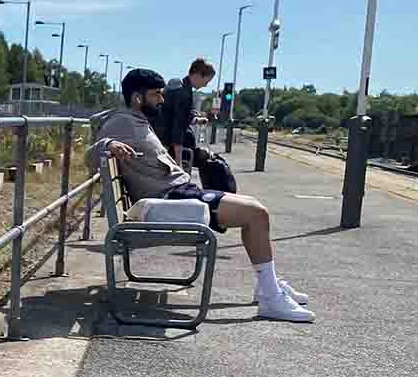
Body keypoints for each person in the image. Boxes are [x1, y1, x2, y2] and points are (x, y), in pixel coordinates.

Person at [92, 68, 314, 323]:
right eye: (156, 95)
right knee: (256, 214)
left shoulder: (138, 119)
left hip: (180, 192)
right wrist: (107, 145)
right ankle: (270, 297)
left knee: (254, 207)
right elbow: (92, 154)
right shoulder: (122, 121)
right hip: (170, 200)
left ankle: (268, 285)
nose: (162, 100)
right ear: (137, 97)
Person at [158, 57, 217, 172]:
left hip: (161, 139)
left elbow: (176, 115)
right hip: (165, 143)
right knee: (188, 156)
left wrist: (195, 119)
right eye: (206, 81)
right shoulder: (184, 93)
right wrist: (178, 163)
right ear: (198, 75)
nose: (205, 85)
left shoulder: (180, 86)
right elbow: (178, 127)